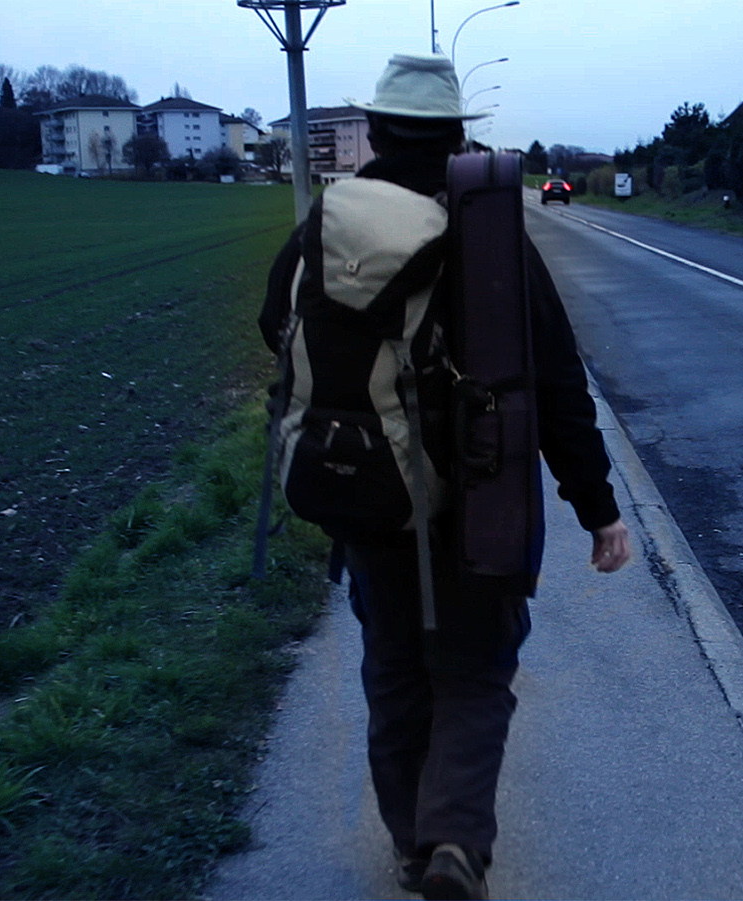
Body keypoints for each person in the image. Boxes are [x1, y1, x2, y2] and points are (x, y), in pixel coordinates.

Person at [258, 52, 632, 900]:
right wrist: (598, 508)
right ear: (458, 135)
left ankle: (407, 844)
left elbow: (274, 322)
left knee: (394, 668)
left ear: (375, 131)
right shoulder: (488, 230)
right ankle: (454, 842)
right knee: (476, 668)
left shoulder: (328, 221)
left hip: (363, 489)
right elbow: (556, 383)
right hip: (478, 497)